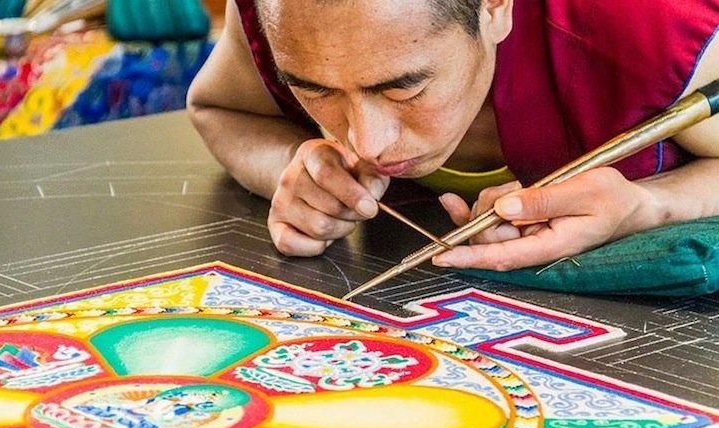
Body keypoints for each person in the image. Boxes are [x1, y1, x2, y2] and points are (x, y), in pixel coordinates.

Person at [187, 0, 719, 272]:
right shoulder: (277, 13)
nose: (366, 142)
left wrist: (652, 204)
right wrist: (297, 166)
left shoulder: (643, 23)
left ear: (495, 8)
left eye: (403, 90)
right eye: (317, 91)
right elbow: (218, 108)